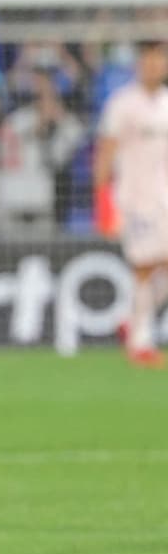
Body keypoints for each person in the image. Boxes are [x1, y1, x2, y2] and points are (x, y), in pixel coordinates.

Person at [94, 40, 168, 368]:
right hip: (134, 199)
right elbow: (106, 151)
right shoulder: (122, 104)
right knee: (143, 266)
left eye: (160, 59)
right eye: (149, 59)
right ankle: (140, 343)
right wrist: (102, 199)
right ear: (140, 63)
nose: (155, 65)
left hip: (164, 197)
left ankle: (131, 321)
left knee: (161, 267)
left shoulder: (167, 103)